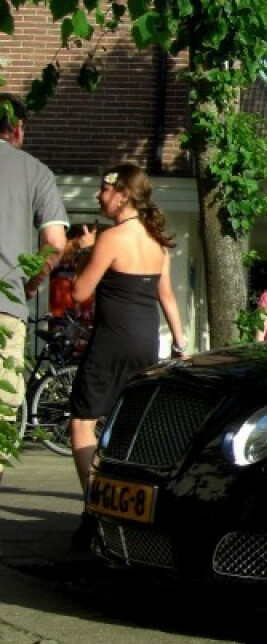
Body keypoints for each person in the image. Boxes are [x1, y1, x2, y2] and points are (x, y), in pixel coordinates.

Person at [68, 164, 186, 521]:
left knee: (82, 422)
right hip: (146, 343)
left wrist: (84, 251)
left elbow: (78, 292)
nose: (98, 197)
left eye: (104, 191)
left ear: (122, 195)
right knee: (128, 428)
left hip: (110, 341)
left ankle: (96, 504)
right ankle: (131, 508)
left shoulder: (111, 238)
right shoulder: (156, 240)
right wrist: (181, 345)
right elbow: (167, 297)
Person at [0, 93, 69, 486]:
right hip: (5, 308)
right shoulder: (35, 172)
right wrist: (30, 283)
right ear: (19, 128)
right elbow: (56, 243)